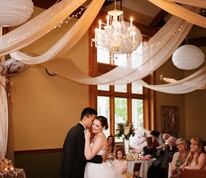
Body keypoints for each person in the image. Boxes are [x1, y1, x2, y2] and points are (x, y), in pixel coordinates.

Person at [62, 107, 104, 178]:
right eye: (92, 120)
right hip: (76, 170)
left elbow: (64, 148)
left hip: (68, 168)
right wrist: (101, 158)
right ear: (85, 118)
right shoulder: (81, 132)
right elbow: (82, 155)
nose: (93, 123)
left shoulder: (73, 129)